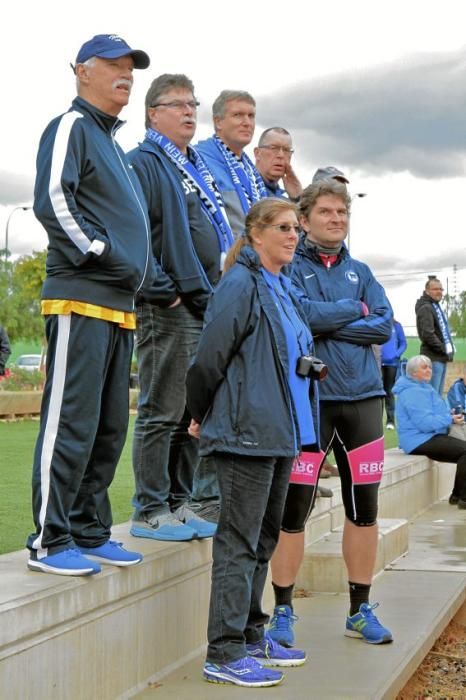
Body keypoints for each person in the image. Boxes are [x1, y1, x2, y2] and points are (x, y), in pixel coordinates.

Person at [27, 34, 152, 576]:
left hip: (121, 306)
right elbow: (53, 198)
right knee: (71, 420)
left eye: (131, 67)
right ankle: (50, 540)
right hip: (82, 298)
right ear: (81, 71)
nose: (125, 74)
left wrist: (136, 273)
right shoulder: (72, 126)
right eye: (114, 65)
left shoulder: (114, 145)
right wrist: (100, 252)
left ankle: (88, 529)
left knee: (107, 426)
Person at [186, 198, 313, 687]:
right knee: (238, 542)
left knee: (262, 539)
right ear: (256, 233)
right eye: (283, 227)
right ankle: (223, 650)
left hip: (280, 433)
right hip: (245, 434)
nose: (292, 235)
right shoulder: (239, 283)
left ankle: (251, 632)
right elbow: (207, 359)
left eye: (296, 228)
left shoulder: (278, 285)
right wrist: (201, 413)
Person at [268, 178, 394, 647]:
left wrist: (330, 322)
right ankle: (282, 612)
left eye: (342, 212)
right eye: (325, 211)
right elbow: (298, 319)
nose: (336, 219)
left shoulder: (361, 269)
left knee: (365, 511)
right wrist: (351, 312)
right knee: (293, 511)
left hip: (363, 403)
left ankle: (360, 610)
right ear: (303, 220)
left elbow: (383, 325)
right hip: (310, 405)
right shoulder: (287, 268)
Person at [128, 74, 225, 542]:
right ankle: (149, 509)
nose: (190, 112)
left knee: (192, 413)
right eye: (178, 104)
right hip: (169, 305)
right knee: (162, 409)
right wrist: (163, 291)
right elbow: (135, 236)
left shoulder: (192, 165)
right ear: (153, 113)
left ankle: (178, 502)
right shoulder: (144, 162)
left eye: (193, 103)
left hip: (203, 304)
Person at [394, 355, 466, 508]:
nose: (429, 370)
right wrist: (449, 420)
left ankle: (457, 496)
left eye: (430, 367)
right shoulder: (412, 392)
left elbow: (435, 414)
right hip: (419, 439)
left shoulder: (424, 387)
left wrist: (450, 415)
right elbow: (425, 423)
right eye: (424, 367)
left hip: (429, 436)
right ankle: (461, 498)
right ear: (413, 373)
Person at [196, 90, 267, 237]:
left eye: (251, 116)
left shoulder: (250, 170)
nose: (247, 123)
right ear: (218, 122)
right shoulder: (198, 159)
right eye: (238, 115)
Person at [415, 276, 454, 396]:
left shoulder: (435, 307)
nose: (440, 292)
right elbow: (428, 335)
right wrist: (444, 349)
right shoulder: (426, 307)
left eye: (441, 289)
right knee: (432, 396)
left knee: (437, 396)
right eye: (435, 289)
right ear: (427, 291)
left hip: (440, 357)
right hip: (432, 358)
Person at [254, 127, 302, 200]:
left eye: (286, 150)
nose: (281, 155)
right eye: (274, 148)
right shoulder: (243, 190)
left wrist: (297, 198)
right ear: (257, 153)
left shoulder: (286, 201)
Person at [381, 318, 407, 429]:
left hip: (391, 364)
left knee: (389, 391)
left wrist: (396, 354)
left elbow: (403, 343)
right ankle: (376, 420)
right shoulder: (378, 322)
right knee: (377, 391)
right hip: (377, 363)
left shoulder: (396, 325)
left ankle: (390, 421)